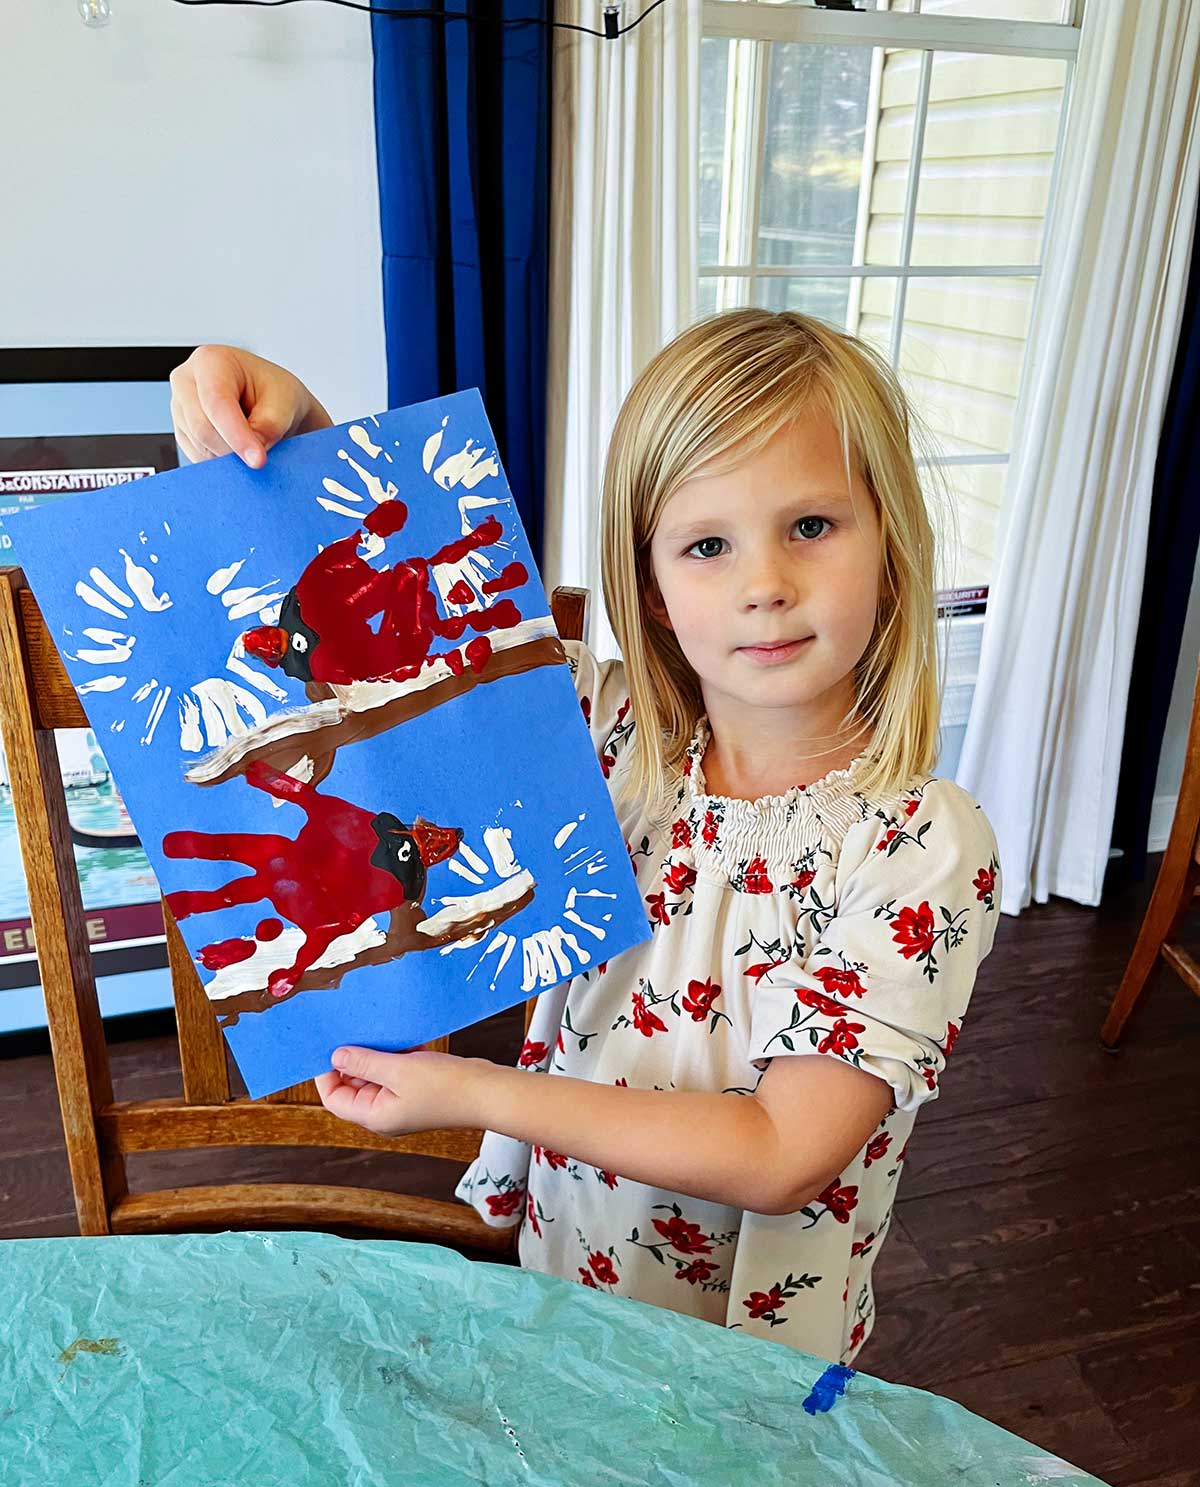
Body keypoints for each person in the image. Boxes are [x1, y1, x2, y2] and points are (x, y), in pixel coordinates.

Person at [169, 311, 1001, 1364]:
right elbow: (384, 605)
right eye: (709, 543)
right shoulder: (608, 732)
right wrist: (279, 432)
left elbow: (785, 1149)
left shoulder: (923, 846)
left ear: (890, 537)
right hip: (573, 1269)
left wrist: (465, 1093)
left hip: (755, 1351)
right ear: (652, 586)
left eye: (811, 525)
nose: (765, 584)